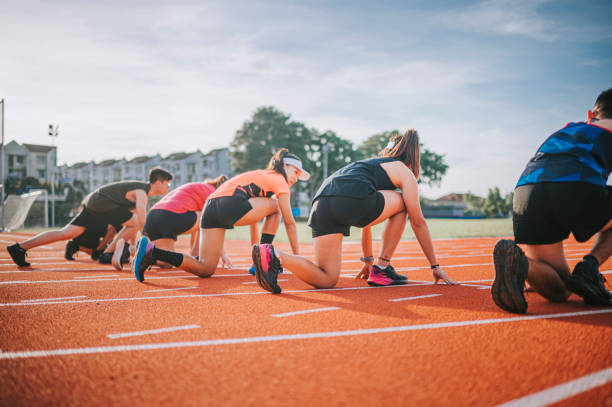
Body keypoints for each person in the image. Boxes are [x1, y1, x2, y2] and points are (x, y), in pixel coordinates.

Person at [250, 130, 457, 294]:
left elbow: (367, 221)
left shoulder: (368, 167)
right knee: (405, 203)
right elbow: (418, 221)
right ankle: (383, 269)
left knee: (327, 278)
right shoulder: (404, 171)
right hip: (351, 198)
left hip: (321, 201)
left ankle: (273, 254)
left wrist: (368, 260)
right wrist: (434, 266)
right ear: (412, 157)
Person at [493, 88, 612, 313]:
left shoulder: (568, 129)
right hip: (574, 186)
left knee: (561, 291)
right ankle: (590, 267)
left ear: (590, 114)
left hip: (527, 192)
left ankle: (521, 264)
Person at [131, 149, 308, 282]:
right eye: (296, 172)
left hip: (211, 206)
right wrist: (298, 259)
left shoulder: (262, 179)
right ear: (284, 165)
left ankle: (152, 253)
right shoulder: (278, 179)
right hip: (229, 203)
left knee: (205, 268)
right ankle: (264, 258)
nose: (296, 178)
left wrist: (256, 254)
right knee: (277, 206)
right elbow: (290, 222)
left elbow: (253, 218)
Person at [7, 167, 173, 270]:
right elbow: (141, 214)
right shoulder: (142, 191)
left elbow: (135, 219)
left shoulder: (140, 191)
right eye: (167, 183)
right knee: (136, 221)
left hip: (95, 202)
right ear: (158, 182)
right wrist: (147, 238)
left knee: (67, 232)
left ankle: (20, 248)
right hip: (102, 203)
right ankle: (108, 253)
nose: (168, 187)